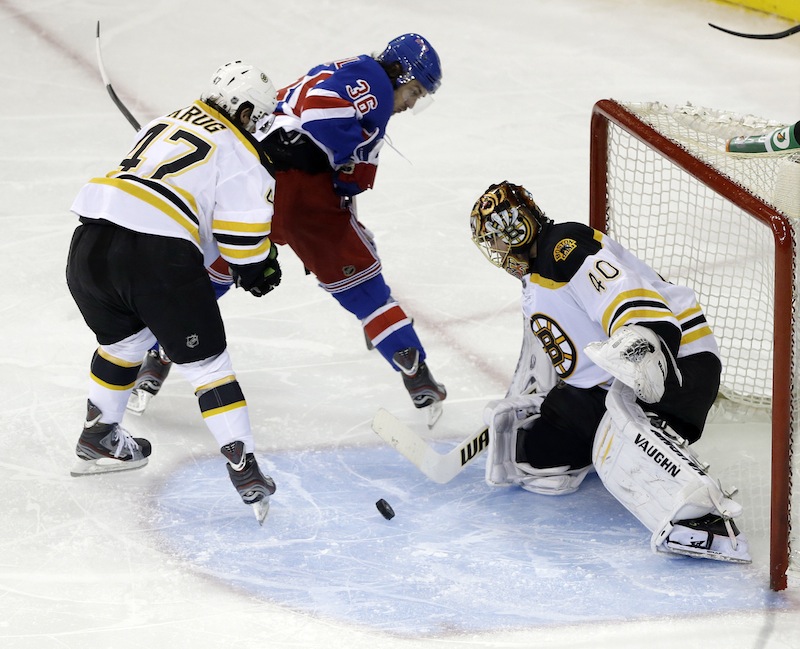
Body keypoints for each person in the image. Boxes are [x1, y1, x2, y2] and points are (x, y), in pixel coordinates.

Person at [469, 180, 751, 563]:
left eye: (497, 240)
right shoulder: (536, 280)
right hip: (611, 381)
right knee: (535, 454)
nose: (497, 252)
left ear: (515, 230)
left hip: (673, 360)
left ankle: (703, 515)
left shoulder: (563, 246)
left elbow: (621, 289)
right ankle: (592, 444)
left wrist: (643, 339)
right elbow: (555, 350)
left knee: (622, 432)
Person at [66, 61, 282, 524]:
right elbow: (242, 246)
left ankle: (99, 434)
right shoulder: (242, 153)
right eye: (259, 116)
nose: (260, 127)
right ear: (244, 111)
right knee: (209, 368)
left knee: (122, 343)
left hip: (88, 245)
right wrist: (261, 267)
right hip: (155, 258)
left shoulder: (163, 121)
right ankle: (246, 472)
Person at [256, 33, 447, 426]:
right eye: (413, 91)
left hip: (255, 179)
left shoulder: (347, 71)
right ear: (400, 74)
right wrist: (345, 159)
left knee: (218, 268)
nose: (411, 105)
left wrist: (347, 174)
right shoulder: (375, 83)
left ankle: (158, 358)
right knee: (365, 287)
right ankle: (415, 371)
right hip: (299, 183)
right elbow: (319, 112)